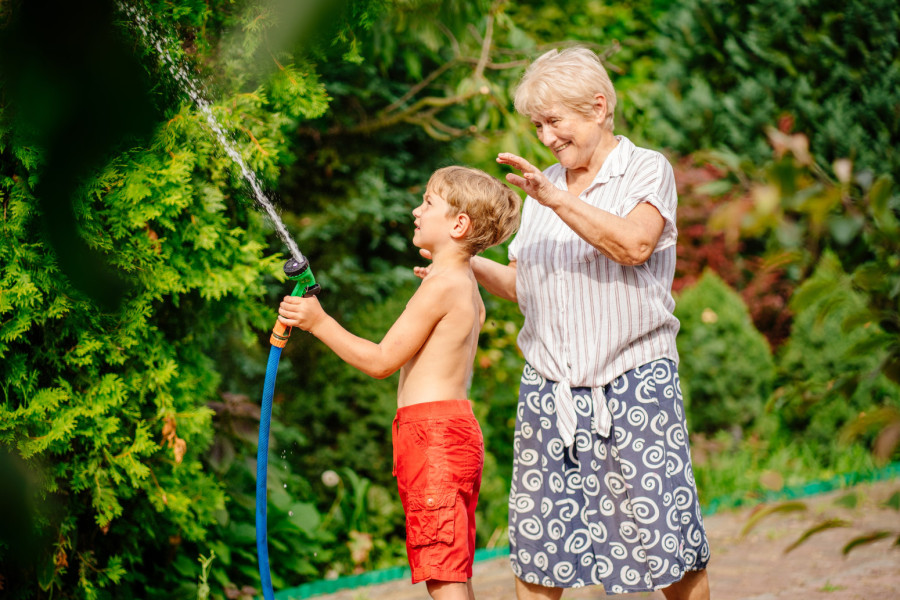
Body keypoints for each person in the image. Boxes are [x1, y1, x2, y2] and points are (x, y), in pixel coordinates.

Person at [421, 46, 711, 599]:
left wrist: (555, 199)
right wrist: (456, 261)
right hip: (549, 391)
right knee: (538, 552)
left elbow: (634, 244)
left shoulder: (645, 170)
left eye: (555, 122)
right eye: (538, 125)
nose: (547, 137)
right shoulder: (543, 191)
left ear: (598, 108)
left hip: (635, 386)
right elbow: (524, 288)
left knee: (667, 546)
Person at [278, 166, 521, 600]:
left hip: (432, 438)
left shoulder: (444, 284)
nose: (416, 210)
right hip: (453, 431)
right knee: (452, 564)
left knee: (442, 572)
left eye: (428, 203)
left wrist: (319, 322)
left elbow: (381, 361)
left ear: (458, 224)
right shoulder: (462, 283)